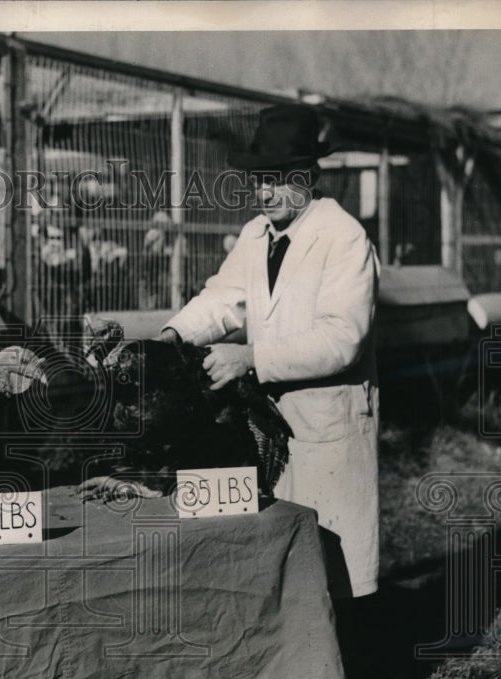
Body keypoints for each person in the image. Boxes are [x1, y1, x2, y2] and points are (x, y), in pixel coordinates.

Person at [161, 104, 380, 602]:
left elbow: (341, 340)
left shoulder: (343, 237)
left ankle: (354, 675)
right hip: (270, 427)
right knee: (279, 566)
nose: (264, 191)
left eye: (279, 179)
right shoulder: (256, 235)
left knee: (333, 570)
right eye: (259, 178)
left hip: (327, 427)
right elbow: (223, 300)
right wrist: (174, 335)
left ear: (309, 174)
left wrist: (252, 357)